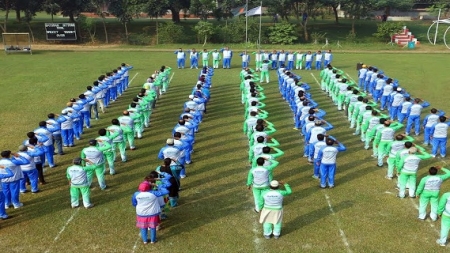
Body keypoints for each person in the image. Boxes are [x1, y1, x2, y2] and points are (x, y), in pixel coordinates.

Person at [132, 179, 170, 244]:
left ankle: (145, 241)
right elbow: (166, 191)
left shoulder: (136, 194)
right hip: (152, 213)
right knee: (153, 227)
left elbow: (134, 203)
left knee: (143, 227)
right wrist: (158, 185)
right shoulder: (153, 193)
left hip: (141, 213)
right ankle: (153, 240)